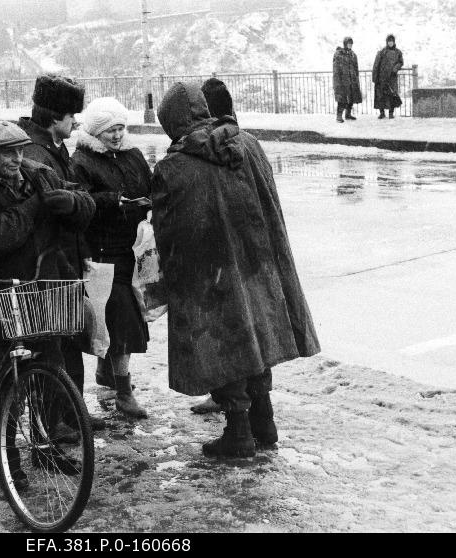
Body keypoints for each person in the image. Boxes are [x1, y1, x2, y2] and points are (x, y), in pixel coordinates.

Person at [151, 82, 321, 459]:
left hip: (211, 273)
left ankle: (239, 432)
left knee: (223, 345)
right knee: (257, 338)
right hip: (258, 263)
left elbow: (167, 231)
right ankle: (265, 421)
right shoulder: (249, 144)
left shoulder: (173, 167)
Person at [0, 120, 95, 483]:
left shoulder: (37, 173)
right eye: (7, 152)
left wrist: (72, 203)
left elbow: (87, 204)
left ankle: (46, 449)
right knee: (1, 385)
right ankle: (5, 458)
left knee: (50, 367)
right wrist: (34, 207)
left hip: (41, 289)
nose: (18, 158)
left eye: (19, 149)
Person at [17, 74, 105, 433]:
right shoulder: (35, 154)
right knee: (51, 344)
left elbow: (78, 198)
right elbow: (59, 208)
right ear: (55, 117)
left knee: (67, 341)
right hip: (46, 264)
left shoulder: (51, 147)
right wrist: (76, 204)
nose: (77, 122)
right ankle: (54, 421)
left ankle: (72, 414)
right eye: (72, 116)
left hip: (64, 259)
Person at [70, 97, 151, 420]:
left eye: (120, 128)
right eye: (109, 131)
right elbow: (81, 201)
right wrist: (114, 202)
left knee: (124, 320)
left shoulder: (132, 155)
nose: (117, 136)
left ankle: (106, 371)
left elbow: (150, 183)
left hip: (134, 249)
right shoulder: (82, 161)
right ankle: (124, 392)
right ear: (95, 133)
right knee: (121, 322)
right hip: (103, 252)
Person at [190, 78, 237, 415]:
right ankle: (258, 419)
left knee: (225, 333)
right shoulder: (241, 139)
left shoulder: (211, 146)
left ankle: (233, 413)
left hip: (222, 257)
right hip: (248, 255)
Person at [373, 34, 404, 119]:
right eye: (389, 41)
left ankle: (391, 113)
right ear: (387, 42)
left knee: (392, 95)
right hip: (382, 78)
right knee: (381, 95)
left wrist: (395, 69)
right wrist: (375, 77)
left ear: (394, 42)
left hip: (392, 77)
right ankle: (382, 113)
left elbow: (401, 62)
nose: (390, 43)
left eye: (392, 41)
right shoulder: (382, 52)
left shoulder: (398, 52)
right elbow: (376, 65)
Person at [333, 37, 362, 123]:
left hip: (352, 80)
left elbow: (356, 68)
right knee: (342, 99)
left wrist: (356, 78)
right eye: (348, 43)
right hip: (342, 80)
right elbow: (336, 69)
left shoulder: (353, 54)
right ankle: (339, 116)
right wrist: (338, 81)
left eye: (351, 44)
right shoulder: (338, 54)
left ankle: (348, 114)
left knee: (351, 98)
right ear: (345, 44)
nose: (350, 45)